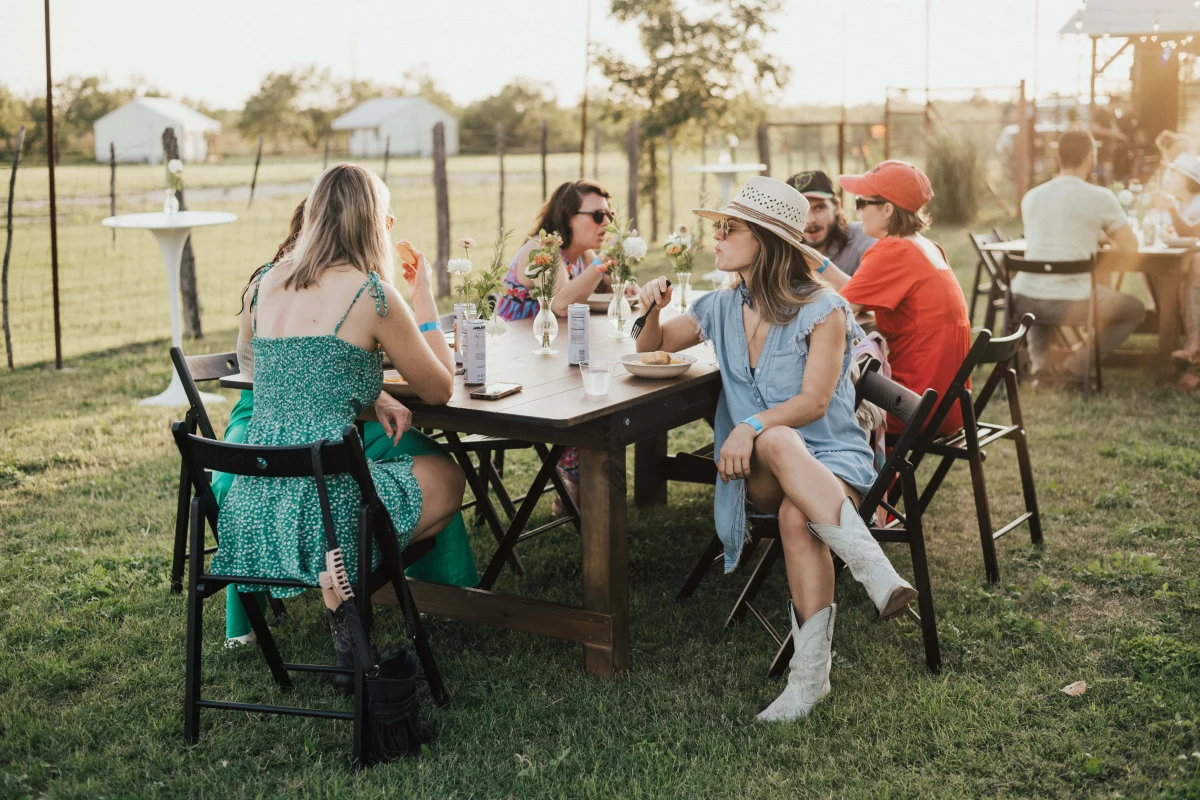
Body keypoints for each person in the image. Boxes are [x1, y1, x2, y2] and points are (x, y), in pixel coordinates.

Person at [635, 177, 917, 723]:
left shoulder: (825, 310)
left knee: (796, 518)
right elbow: (654, 347)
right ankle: (873, 569)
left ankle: (809, 682)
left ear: (764, 240)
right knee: (780, 442)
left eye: (727, 229)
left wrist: (751, 426)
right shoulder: (718, 305)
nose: (714, 238)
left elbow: (814, 402)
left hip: (833, 458)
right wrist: (652, 306)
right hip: (760, 467)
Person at [212, 164, 466, 674]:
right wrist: (424, 297)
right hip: (328, 512)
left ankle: (344, 579)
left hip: (254, 510)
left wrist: (370, 400)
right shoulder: (371, 294)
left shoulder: (261, 284)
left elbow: (272, 380)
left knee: (368, 485)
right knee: (450, 477)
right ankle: (350, 566)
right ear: (374, 222)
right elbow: (440, 385)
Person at [495, 179, 634, 508]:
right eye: (597, 215)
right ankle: (574, 484)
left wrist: (622, 287)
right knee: (591, 393)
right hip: (520, 361)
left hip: (554, 356)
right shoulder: (541, 251)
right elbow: (559, 303)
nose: (607, 223)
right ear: (567, 216)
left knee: (606, 384)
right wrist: (603, 265)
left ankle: (582, 482)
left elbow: (598, 291)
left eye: (609, 215)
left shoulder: (582, 253)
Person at [817, 161, 972, 436]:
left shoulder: (893, 251)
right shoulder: (925, 247)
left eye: (862, 202)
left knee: (813, 409)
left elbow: (833, 313)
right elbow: (856, 294)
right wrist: (820, 263)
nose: (858, 211)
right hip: (949, 408)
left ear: (887, 209)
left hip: (911, 407)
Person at [1010, 131, 1144, 380]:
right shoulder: (1100, 197)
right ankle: (1076, 365)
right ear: (1090, 157)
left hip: (1024, 298)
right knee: (1134, 309)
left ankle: (1041, 367)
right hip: (1073, 301)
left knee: (1043, 289)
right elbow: (1130, 245)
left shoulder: (1031, 197)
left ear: (1058, 157)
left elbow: (1054, 237)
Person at [1152, 152, 1200, 370]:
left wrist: (1170, 209)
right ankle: (1182, 340)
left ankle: (1193, 345)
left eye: (1174, 174)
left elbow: (1192, 232)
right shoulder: (1184, 205)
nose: (1168, 177)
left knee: (1196, 264)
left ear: (1187, 179)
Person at [786, 170, 876, 275]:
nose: (810, 220)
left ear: (837, 207)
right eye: (799, 211)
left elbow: (871, 291)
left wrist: (823, 266)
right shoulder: (780, 250)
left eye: (819, 208)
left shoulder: (863, 241)